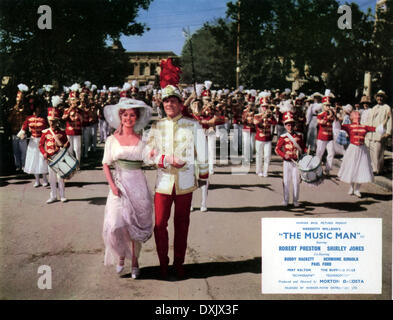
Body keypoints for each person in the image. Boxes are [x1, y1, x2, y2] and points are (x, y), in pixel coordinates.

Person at [145, 84, 209, 279]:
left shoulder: (193, 125)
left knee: (182, 225)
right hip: (163, 183)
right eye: (166, 101)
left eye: (173, 100)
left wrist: (203, 175)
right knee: (159, 225)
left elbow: (203, 153)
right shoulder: (157, 126)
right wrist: (164, 159)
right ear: (162, 104)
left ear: (181, 104)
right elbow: (147, 156)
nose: (169, 104)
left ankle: (178, 263)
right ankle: (163, 263)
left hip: (185, 183)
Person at [101, 98, 153, 278]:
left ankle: (135, 262)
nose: (128, 118)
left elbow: (150, 159)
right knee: (115, 225)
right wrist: (113, 186)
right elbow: (106, 164)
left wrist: (157, 153)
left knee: (133, 227)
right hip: (119, 185)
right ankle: (121, 255)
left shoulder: (144, 139)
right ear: (120, 117)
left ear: (136, 118)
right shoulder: (111, 140)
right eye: (125, 115)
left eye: (132, 115)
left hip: (138, 185)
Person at [338, 111, 384, 197]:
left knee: (361, 168)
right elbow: (338, 125)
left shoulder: (364, 127)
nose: (358, 116)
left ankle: (357, 189)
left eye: (359, 115)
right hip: (352, 149)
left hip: (362, 149)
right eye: (355, 115)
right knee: (352, 167)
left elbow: (376, 129)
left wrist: (384, 122)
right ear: (351, 117)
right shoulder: (349, 126)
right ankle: (351, 187)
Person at [39, 101, 70, 204]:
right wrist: (44, 152)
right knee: (51, 178)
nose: (52, 123)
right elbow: (40, 145)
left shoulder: (62, 132)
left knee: (60, 177)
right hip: (50, 158)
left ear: (57, 121)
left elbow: (66, 143)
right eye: (50, 121)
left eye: (54, 121)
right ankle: (53, 196)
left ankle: (62, 196)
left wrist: (66, 146)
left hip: (59, 157)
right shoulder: (45, 132)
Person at [275, 112, 307, 207]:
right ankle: (285, 200)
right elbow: (277, 149)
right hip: (287, 162)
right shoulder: (283, 137)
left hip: (296, 162)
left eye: (292, 125)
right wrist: (284, 155)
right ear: (285, 126)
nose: (290, 127)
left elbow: (303, 147)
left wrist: (306, 152)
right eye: (288, 125)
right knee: (286, 181)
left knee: (296, 181)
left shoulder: (299, 136)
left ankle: (295, 200)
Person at [18, 103, 49, 187]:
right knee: (34, 159)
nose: (37, 111)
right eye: (36, 110)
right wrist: (22, 134)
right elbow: (23, 128)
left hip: (41, 140)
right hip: (33, 141)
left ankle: (45, 179)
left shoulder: (43, 119)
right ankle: (37, 180)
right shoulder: (29, 119)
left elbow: (47, 130)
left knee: (42, 158)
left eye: (38, 109)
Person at [364, 90, 392, 175]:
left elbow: (390, 120)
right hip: (370, 134)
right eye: (378, 96)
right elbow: (369, 120)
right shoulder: (374, 108)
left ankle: (377, 170)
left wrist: (388, 132)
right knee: (370, 152)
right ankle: (371, 168)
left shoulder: (387, 107)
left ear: (384, 98)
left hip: (379, 134)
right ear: (376, 98)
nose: (379, 98)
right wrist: (365, 130)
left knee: (378, 153)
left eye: (381, 96)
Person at [8, 84, 29, 172]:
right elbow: (9, 120)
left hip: (22, 132)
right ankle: (17, 165)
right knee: (16, 150)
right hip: (14, 131)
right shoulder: (12, 109)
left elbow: (27, 119)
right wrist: (14, 110)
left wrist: (22, 110)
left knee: (23, 150)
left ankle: (24, 165)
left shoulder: (25, 108)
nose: (19, 103)